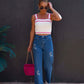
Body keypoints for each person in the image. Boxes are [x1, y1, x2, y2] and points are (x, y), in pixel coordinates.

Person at [27, 0, 62, 84]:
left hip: (48, 41)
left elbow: (59, 18)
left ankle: (47, 82)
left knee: (48, 64)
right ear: (38, 7)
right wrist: (30, 45)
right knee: (37, 65)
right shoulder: (34, 17)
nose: (43, 9)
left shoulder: (50, 16)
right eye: (42, 7)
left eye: (46, 7)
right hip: (37, 41)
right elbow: (32, 31)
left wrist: (52, 8)